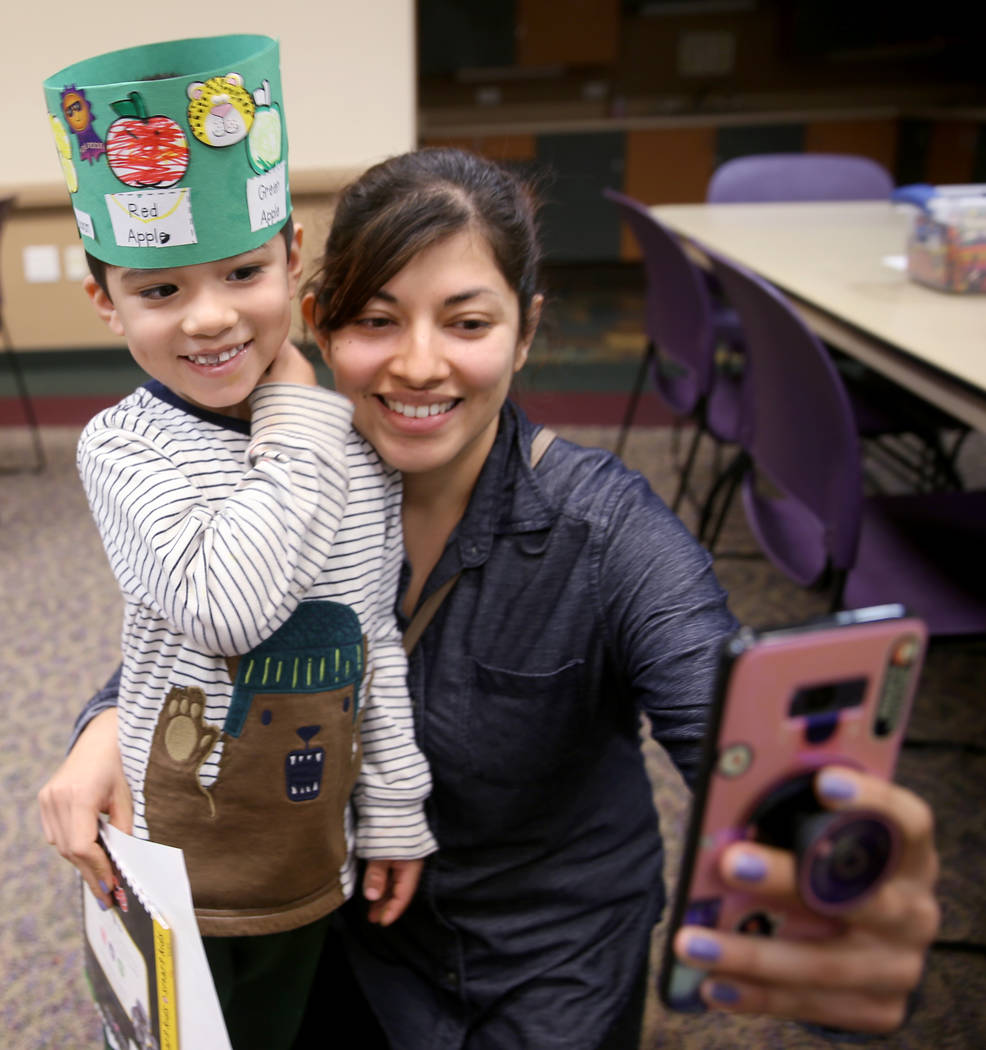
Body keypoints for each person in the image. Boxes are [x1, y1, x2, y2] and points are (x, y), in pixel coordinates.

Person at [41, 147, 940, 1049]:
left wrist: (827, 850)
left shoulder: (606, 532)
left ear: (526, 331)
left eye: (467, 323)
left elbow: (719, 700)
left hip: (542, 958)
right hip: (350, 927)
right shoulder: (288, 478)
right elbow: (201, 624)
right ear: (317, 321)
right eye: (377, 321)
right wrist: (106, 718)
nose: (420, 366)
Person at [39, 38, 435, 1050]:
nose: (210, 317)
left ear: (291, 256)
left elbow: (369, 636)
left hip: (312, 851)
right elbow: (226, 608)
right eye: (159, 290)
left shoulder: (353, 444)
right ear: (105, 301)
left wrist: (391, 808)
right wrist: (302, 415)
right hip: (176, 859)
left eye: (243, 272)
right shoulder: (125, 448)